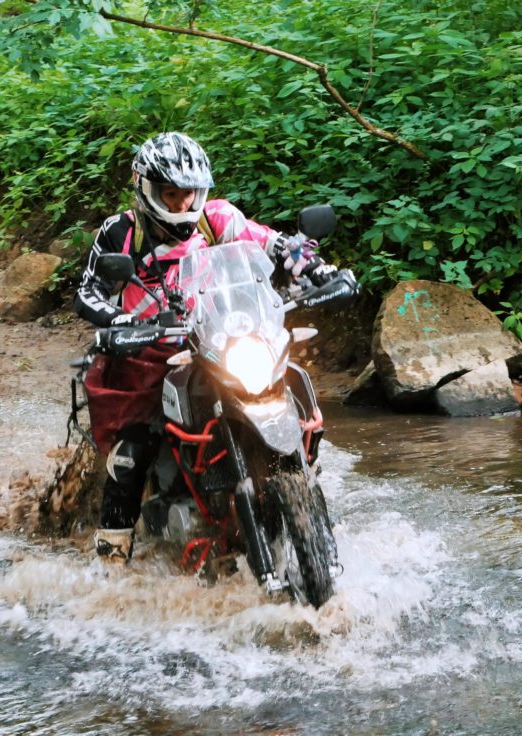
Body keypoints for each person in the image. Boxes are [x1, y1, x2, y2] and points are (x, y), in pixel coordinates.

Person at [73, 131, 335, 563]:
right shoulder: (122, 231)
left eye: (188, 194)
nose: (180, 205)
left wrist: (317, 267)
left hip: (222, 338)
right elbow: (87, 293)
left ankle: (303, 486)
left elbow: (276, 244)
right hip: (151, 352)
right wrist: (121, 320)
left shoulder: (218, 219)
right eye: (170, 194)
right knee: (133, 450)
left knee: (293, 386)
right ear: (146, 189)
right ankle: (111, 558)